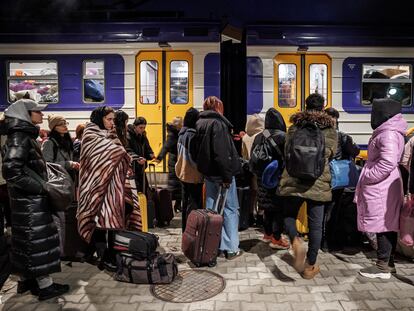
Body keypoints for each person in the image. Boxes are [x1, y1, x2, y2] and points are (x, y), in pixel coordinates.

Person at [1, 99, 69, 300]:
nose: (41, 114)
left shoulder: (21, 135)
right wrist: (40, 188)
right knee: (38, 242)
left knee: (28, 242)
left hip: (26, 202)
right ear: (25, 114)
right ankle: (45, 287)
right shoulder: (20, 136)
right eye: (36, 111)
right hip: (30, 201)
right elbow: (11, 170)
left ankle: (26, 282)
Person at [278, 93, 337, 279]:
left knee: (288, 215)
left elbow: (287, 150)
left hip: (293, 180)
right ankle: (310, 266)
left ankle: (295, 241)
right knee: (316, 226)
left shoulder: (295, 126)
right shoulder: (330, 129)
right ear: (323, 107)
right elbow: (330, 153)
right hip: (317, 181)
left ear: (305, 105)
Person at [77, 106, 141, 272]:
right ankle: (103, 257)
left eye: (113, 119)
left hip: (114, 189)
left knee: (114, 223)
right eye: (109, 119)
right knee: (99, 224)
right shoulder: (90, 135)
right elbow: (106, 155)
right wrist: (119, 154)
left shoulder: (112, 134)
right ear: (99, 118)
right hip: (96, 187)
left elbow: (119, 152)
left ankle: (112, 255)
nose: (112, 123)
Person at [356, 98, 406, 279]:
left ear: (383, 114)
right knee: (387, 223)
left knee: (382, 224)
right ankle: (388, 263)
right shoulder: (390, 131)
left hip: (381, 185)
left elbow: (387, 162)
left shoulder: (387, 134)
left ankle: (382, 267)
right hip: (385, 184)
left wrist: (368, 177)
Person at [195, 96, 242, 259]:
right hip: (222, 175)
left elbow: (196, 150)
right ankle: (230, 248)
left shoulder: (200, 122)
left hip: (209, 175)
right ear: (218, 108)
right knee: (230, 209)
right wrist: (227, 175)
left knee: (212, 209)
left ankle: (213, 245)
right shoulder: (219, 124)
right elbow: (221, 154)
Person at [323, 107, 360, 251]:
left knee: (321, 210)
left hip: (321, 177)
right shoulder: (343, 136)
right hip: (336, 178)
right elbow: (354, 151)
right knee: (333, 210)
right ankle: (330, 242)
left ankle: (321, 241)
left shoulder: (318, 135)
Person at [251, 108, 289, 249]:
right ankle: (276, 238)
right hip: (278, 177)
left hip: (262, 177)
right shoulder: (283, 136)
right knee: (278, 209)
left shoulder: (260, 136)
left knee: (266, 207)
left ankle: (267, 234)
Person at [175, 108, 203, 231]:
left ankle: (185, 229)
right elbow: (194, 157)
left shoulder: (181, 134)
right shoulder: (192, 135)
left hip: (182, 173)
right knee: (194, 203)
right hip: (193, 174)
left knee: (185, 202)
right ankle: (192, 229)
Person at [154, 117, 183, 213]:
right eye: (181, 124)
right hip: (174, 162)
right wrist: (159, 158)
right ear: (177, 125)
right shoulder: (173, 135)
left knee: (179, 184)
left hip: (178, 160)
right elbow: (166, 147)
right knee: (174, 184)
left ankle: (177, 205)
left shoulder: (177, 133)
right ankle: (167, 208)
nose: (182, 125)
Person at [241, 114, 264, 227]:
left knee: (252, 193)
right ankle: (260, 216)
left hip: (250, 169)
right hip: (261, 169)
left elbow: (244, 155)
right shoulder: (263, 134)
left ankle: (250, 215)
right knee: (261, 193)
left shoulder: (245, 137)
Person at [126, 117, 155, 194]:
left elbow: (147, 147)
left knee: (144, 189)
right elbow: (128, 150)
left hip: (141, 167)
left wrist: (150, 154)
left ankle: (144, 205)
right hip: (133, 167)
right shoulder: (128, 135)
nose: (142, 130)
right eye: (140, 127)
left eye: (144, 128)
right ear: (135, 126)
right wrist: (137, 158)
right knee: (136, 190)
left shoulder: (143, 135)